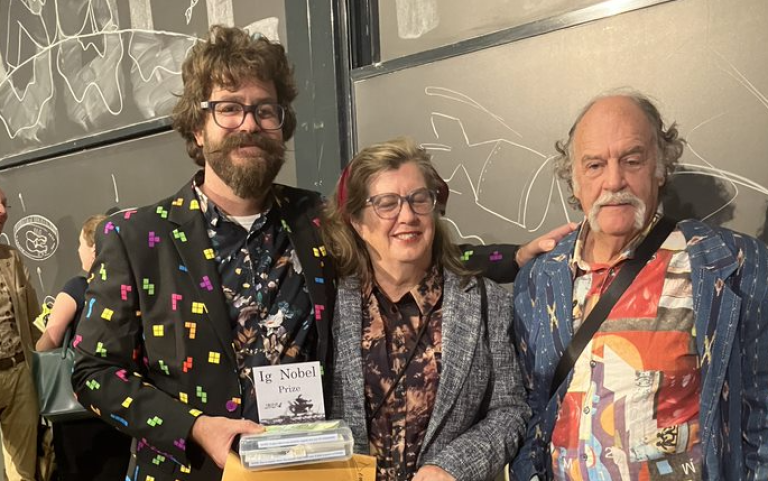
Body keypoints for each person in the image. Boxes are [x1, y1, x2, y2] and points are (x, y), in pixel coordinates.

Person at [72, 25, 570, 481]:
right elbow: (92, 372)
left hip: (310, 472)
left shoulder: (312, 219)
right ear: (197, 128)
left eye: (265, 109)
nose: (250, 123)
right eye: (229, 107)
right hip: (191, 471)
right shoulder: (137, 236)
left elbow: (403, 246)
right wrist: (197, 427)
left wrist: (516, 257)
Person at [510, 90, 768, 481]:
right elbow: (530, 406)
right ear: (575, 181)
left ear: (660, 167)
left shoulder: (731, 266)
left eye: (632, 160)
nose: (614, 181)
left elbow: (761, 415)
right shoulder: (541, 278)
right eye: (594, 165)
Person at [324, 138, 530, 481]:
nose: (407, 216)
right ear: (357, 222)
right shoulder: (329, 305)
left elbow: (511, 411)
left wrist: (452, 467)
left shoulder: (485, 302)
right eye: (386, 204)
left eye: (419, 200)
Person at [35, 215, 132, 481]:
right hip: (118, 401)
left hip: (76, 402)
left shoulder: (77, 287)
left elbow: (51, 339)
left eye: (79, 243)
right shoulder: (128, 288)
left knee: (77, 472)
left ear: (93, 249)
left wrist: (32, 364)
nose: (77, 251)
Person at [0, 186, 41, 481]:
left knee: (23, 470)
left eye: (4, 204)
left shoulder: (11, 258)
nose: (2, 212)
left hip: (18, 370)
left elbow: (33, 315)